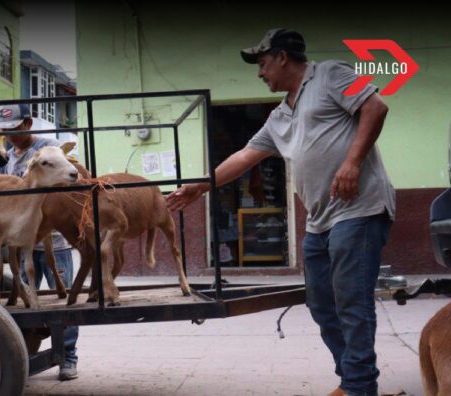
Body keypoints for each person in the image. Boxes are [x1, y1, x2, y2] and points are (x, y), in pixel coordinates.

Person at [167, 28, 394, 396]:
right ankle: (352, 378)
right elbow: (244, 157)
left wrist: (352, 163)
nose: (260, 73)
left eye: (262, 63)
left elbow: (375, 106)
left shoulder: (331, 75)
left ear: (282, 57)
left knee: (351, 301)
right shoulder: (280, 116)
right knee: (321, 304)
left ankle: (360, 387)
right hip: (320, 221)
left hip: (359, 210)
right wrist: (199, 186)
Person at [0, 103, 80, 381]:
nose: (10, 136)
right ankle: (25, 353)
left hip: (53, 239)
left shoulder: (49, 149)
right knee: (24, 298)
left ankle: (68, 357)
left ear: (28, 124)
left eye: (15, 129)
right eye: (5, 131)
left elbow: (67, 180)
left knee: (64, 298)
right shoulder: (7, 157)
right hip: (21, 239)